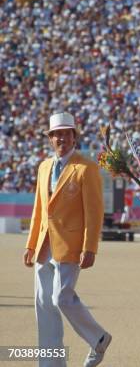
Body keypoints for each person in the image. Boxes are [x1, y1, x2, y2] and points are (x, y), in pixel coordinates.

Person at [23, 112, 112, 367]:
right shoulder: (43, 168)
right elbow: (38, 209)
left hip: (70, 245)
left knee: (61, 298)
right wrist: (30, 244)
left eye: (66, 133)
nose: (62, 138)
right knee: (43, 304)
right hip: (43, 244)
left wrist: (90, 247)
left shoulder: (87, 167)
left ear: (74, 137)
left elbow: (95, 212)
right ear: (50, 139)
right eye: (57, 134)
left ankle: (99, 338)